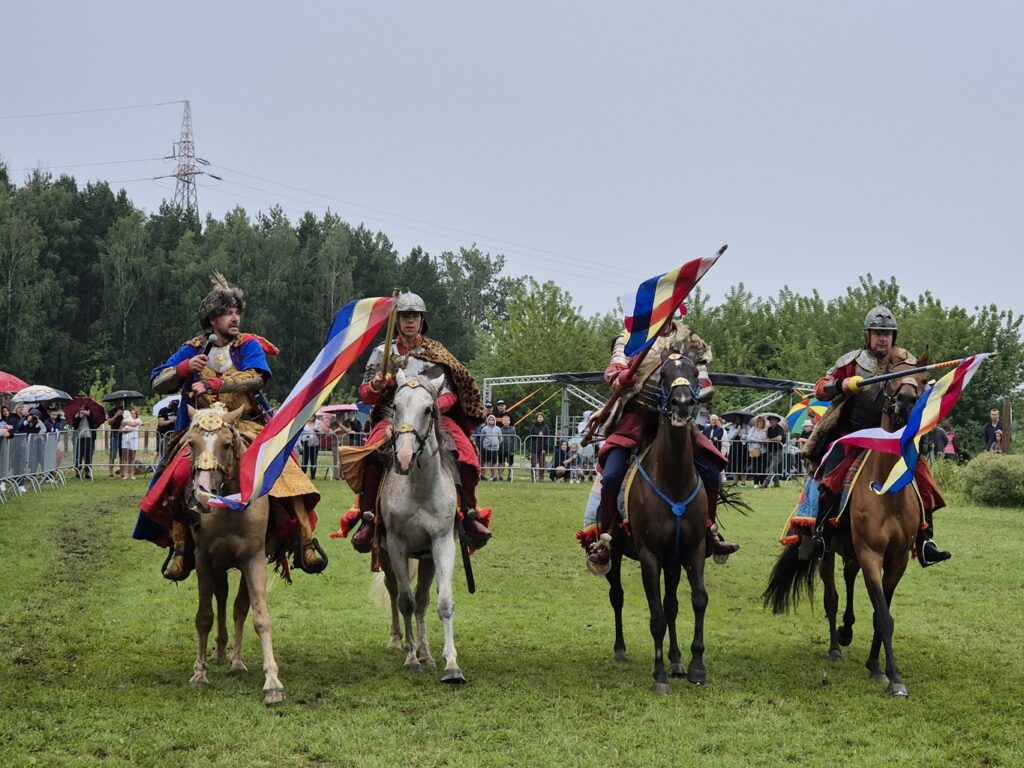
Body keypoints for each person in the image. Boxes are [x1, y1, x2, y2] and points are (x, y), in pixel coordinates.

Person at [135, 272, 326, 580]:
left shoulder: (247, 344)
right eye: (228, 312)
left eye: (237, 312)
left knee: (286, 466)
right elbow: (157, 380)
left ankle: (304, 540)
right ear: (212, 319)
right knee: (178, 473)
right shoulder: (192, 348)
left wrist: (214, 381)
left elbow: (256, 376)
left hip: (245, 423)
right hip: (199, 429)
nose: (235, 318)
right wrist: (183, 369)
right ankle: (182, 547)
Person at [586, 316, 740, 569]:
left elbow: (704, 384)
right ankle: (606, 539)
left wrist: (690, 392)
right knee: (613, 475)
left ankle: (709, 532)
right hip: (634, 420)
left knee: (712, 471)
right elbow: (613, 372)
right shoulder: (630, 338)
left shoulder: (690, 342)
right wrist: (621, 378)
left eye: (674, 311)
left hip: (675, 421)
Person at [805, 305, 950, 567]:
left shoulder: (905, 360)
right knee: (830, 477)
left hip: (892, 438)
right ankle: (822, 535)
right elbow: (819, 390)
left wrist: (923, 388)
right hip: (853, 435)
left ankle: (925, 539)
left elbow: (917, 384)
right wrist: (841, 384)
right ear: (868, 335)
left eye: (887, 333)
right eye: (877, 333)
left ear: (893, 336)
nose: (882, 338)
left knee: (923, 477)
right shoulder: (852, 362)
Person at [348, 291, 491, 552]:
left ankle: (469, 515)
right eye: (404, 316)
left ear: (421, 320)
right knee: (370, 454)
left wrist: (433, 406)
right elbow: (366, 395)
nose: (409, 321)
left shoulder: (435, 352)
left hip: (432, 418)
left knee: (466, 454)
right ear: (397, 320)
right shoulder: (382, 352)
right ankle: (368, 519)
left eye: (414, 316)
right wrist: (375, 385)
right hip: (392, 417)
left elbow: (449, 392)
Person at [763, 414, 787, 488]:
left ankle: (765, 483)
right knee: (774, 468)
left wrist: (770, 440)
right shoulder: (769, 429)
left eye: (773, 420)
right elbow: (765, 437)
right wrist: (766, 428)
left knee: (771, 467)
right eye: (770, 420)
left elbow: (779, 438)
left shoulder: (780, 429)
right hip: (770, 450)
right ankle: (777, 484)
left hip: (778, 451)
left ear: (777, 421)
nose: (771, 421)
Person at [528, 412, 551, 482]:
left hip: (542, 448)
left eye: (541, 417)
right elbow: (530, 436)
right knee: (533, 463)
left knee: (542, 463)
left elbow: (547, 438)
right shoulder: (533, 426)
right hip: (534, 447)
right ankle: (533, 477)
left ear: (543, 418)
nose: (540, 418)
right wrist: (537, 435)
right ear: (536, 418)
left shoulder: (546, 427)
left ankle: (541, 478)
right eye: (538, 417)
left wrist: (545, 449)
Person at [477, 414, 502, 480]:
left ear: (494, 420)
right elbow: (481, 438)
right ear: (488, 420)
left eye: (492, 419)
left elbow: (500, 438)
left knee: (493, 463)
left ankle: (494, 476)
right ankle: (483, 475)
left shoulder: (498, 429)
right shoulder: (484, 428)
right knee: (485, 462)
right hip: (486, 448)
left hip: (494, 448)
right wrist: (484, 444)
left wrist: (496, 444)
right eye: (490, 419)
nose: (491, 421)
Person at [746, 415, 769, 487]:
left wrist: (756, 439)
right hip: (754, 450)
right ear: (757, 422)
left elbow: (764, 438)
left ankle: (762, 482)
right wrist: (759, 440)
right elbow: (749, 438)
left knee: (762, 467)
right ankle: (756, 482)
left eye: (762, 422)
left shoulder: (765, 430)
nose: (761, 423)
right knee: (755, 466)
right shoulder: (753, 429)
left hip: (763, 451)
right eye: (759, 421)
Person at [120, 407, 142, 479]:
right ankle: (125, 474)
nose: (132, 414)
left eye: (134, 413)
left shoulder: (138, 420)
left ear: (136, 414)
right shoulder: (124, 420)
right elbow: (120, 430)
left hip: (133, 439)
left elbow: (134, 424)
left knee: (132, 457)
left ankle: (132, 474)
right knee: (125, 457)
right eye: (131, 413)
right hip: (125, 439)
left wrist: (125, 422)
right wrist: (123, 426)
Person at [105, 404, 124, 477]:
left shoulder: (125, 411)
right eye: (119, 401)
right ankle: (110, 473)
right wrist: (116, 415)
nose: (120, 403)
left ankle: (122, 473)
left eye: (121, 401)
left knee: (122, 455)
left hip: (123, 436)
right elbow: (109, 422)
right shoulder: (111, 411)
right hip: (114, 435)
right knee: (112, 454)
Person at [499, 414, 517, 481]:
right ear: (502, 422)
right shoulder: (500, 430)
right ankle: (500, 476)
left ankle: (510, 476)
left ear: (509, 422)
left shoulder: (512, 430)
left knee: (510, 464)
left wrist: (513, 449)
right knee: (501, 463)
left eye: (507, 421)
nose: (506, 422)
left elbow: (515, 440)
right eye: (504, 420)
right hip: (501, 450)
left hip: (510, 450)